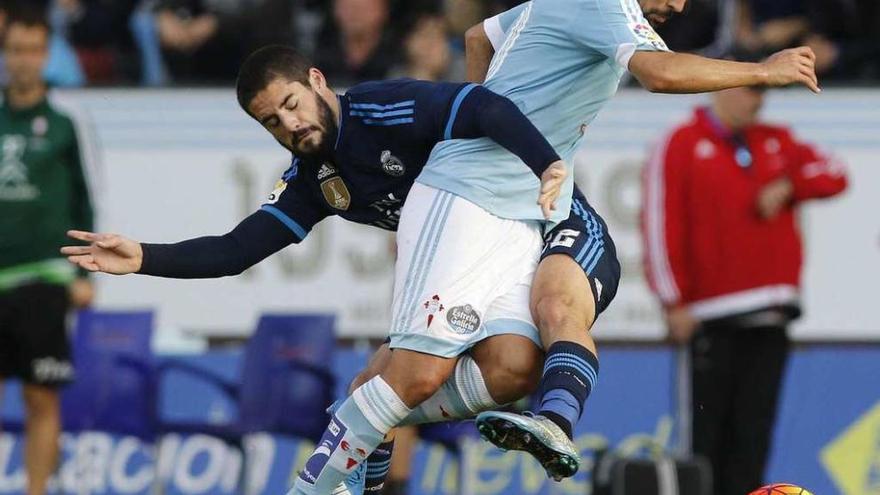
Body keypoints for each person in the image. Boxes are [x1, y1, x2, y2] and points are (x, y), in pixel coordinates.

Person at [61, 45, 569, 494]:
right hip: (460, 268)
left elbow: (481, 106)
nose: (290, 124)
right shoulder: (312, 178)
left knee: (385, 388)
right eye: (271, 122)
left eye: (291, 104)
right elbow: (235, 250)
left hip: (518, 232)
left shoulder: (383, 108)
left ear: (318, 81)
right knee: (398, 384)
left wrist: (547, 165)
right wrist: (145, 257)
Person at [454, 0, 820, 482]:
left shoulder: (563, 5)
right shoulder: (608, 9)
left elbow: (478, 36)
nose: (676, 6)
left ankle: (552, 417)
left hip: (494, 188)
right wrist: (763, 70)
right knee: (451, 357)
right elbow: (660, 74)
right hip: (512, 192)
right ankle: (551, 413)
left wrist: (486, 129)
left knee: (537, 315)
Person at [641, 58, 847, 495]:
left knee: (753, 440)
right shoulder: (680, 142)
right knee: (705, 440)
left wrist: (790, 185)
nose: (756, 100)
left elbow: (835, 173)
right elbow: (661, 224)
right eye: (749, 89)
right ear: (721, 87)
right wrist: (672, 300)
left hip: (771, 312)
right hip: (711, 314)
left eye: (761, 92)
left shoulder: (776, 140)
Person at [0, 8, 95, 495]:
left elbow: (84, 197)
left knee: (41, 396)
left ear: (46, 55)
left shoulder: (64, 122)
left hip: (43, 278)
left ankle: (36, 491)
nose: (23, 60)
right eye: (15, 50)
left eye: (33, 50)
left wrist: (86, 274)